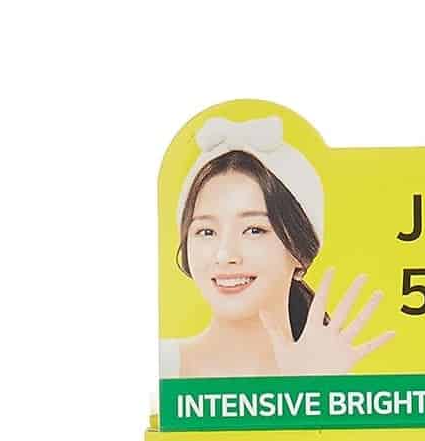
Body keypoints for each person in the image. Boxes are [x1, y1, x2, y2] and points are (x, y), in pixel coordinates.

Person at [162, 116, 395, 380]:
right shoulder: (159, 365)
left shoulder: (328, 380)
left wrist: (312, 391)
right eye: (206, 231)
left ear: (299, 249)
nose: (225, 255)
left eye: (254, 230)